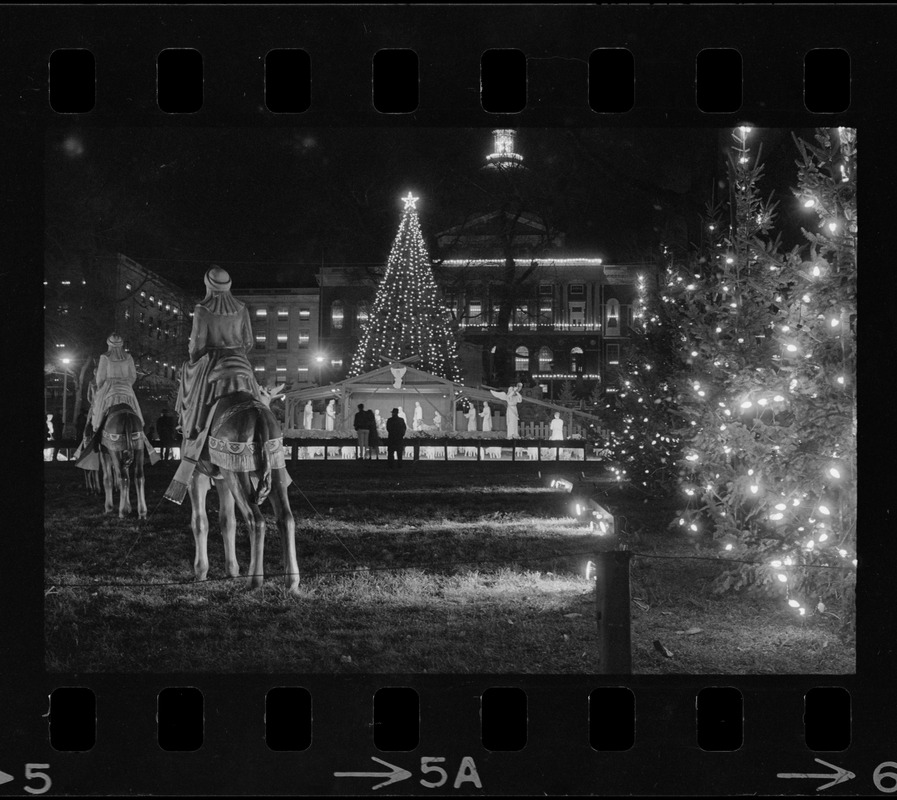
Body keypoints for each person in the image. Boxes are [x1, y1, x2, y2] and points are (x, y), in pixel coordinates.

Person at [176, 267, 260, 444]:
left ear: (208, 285)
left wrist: (193, 361)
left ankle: (193, 427)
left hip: (213, 362)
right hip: (239, 360)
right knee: (256, 397)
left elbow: (196, 346)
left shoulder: (202, 309)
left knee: (192, 390)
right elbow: (249, 341)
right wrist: (237, 354)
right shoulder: (242, 308)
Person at [90, 334, 144, 432]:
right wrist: (126, 384)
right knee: (135, 409)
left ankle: (97, 427)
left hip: (110, 387)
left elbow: (100, 377)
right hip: (126, 387)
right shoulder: (128, 357)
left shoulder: (105, 357)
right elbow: (133, 376)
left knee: (98, 408)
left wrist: (100, 388)